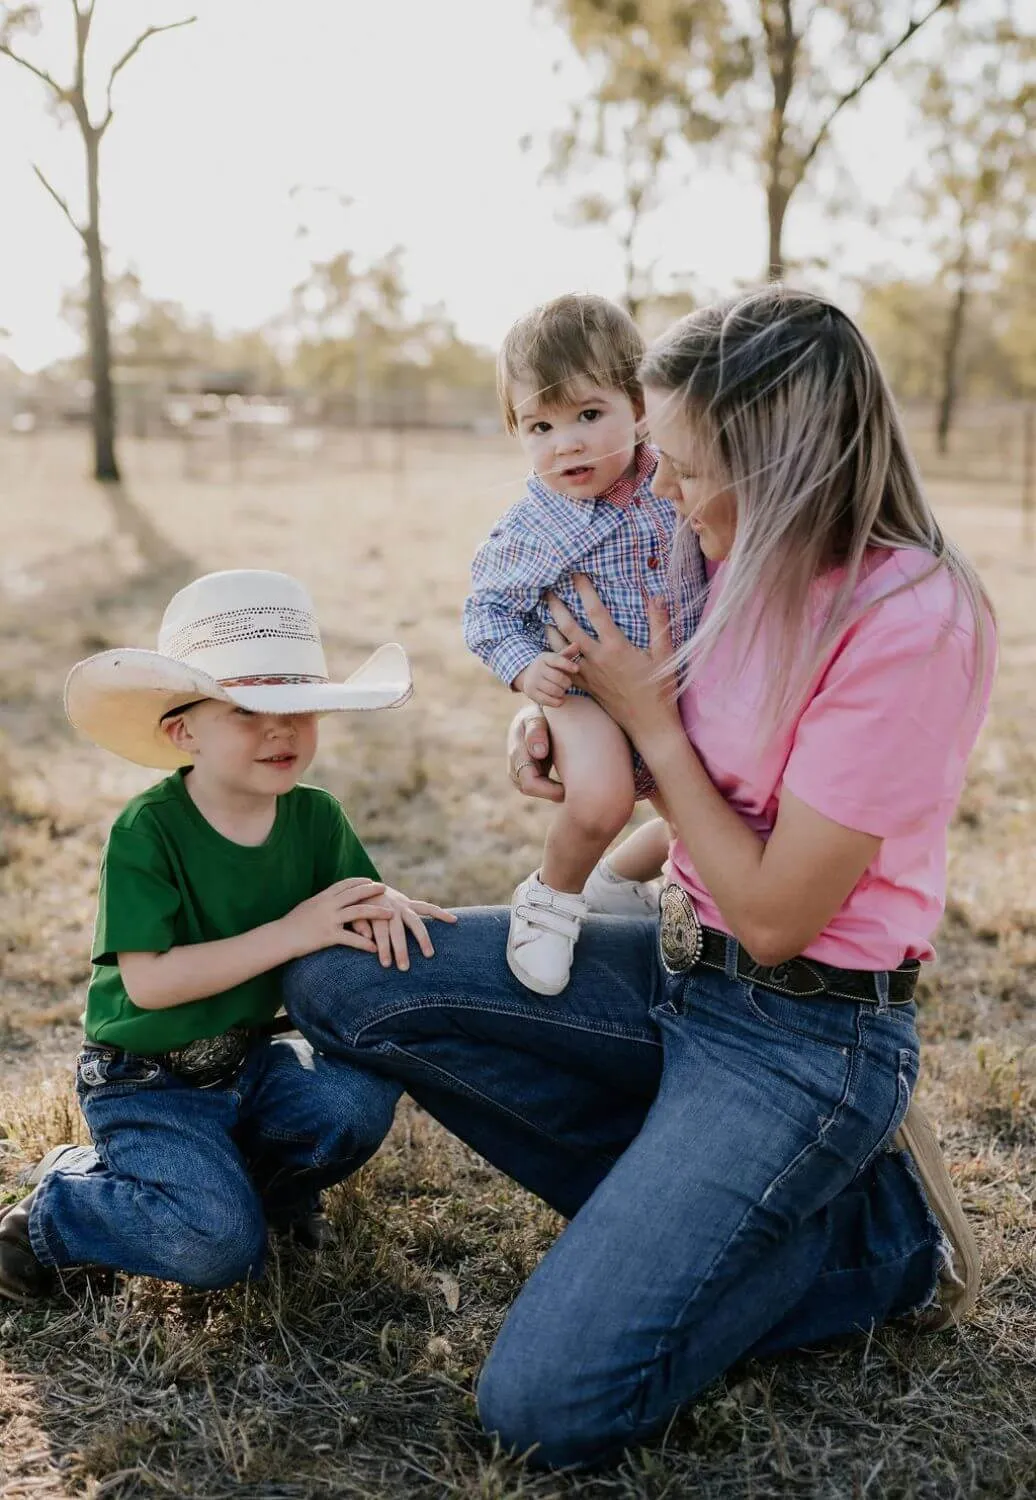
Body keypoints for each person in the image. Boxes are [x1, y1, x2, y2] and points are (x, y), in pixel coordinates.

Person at [283, 288, 995, 1470]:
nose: (654, 488)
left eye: (685, 465)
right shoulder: (719, 555)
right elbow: (691, 790)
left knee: (541, 1410)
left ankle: (876, 1246)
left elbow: (772, 917)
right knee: (344, 979)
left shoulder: (909, 618)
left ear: (780, 461)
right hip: (670, 969)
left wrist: (647, 729)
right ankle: (685, 1203)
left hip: (802, 1038)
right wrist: (555, 722)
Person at [0, 569, 452, 1305]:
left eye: (299, 708)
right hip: (148, 1077)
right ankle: (58, 1209)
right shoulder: (149, 830)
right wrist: (289, 932)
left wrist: (386, 902)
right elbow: (149, 982)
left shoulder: (317, 817)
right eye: (246, 710)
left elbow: (352, 903)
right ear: (184, 732)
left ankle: (258, 1189)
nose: (281, 729)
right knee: (214, 1247)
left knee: (353, 1105)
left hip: (249, 1060)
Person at [463, 293, 706, 995]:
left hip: (676, 676)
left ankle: (623, 882)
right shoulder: (536, 525)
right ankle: (550, 901)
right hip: (581, 685)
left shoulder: (674, 478)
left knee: (713, 801)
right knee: (599, 799)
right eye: (539, 425)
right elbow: (485, 611)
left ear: (641, 406)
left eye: (588, 415)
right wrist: (525, 670)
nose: (564, 443)